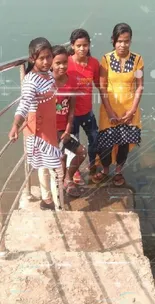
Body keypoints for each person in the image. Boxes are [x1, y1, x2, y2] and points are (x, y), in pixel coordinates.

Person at [9, 37, 64, 211]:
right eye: (42, 58)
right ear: (32, 59)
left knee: (47, 166)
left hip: (48, 125)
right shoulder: (30, 81)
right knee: (54, 167)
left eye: (49, 57)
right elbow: (24, 104)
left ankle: (48, 200)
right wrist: (15, 126)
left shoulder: (47, 74)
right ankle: (55, 203)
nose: (47, 62)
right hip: (39, 131)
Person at [92, 23, 144, 186]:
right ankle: (106, 169)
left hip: (129, 109)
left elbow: (140, 86)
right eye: (120, 41)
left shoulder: (137, 60)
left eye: (126, 41)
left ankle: (119, 171)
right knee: (106, 142)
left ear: (130, 41)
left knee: (123, 142)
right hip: (109, 109)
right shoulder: (106, 59)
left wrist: (133, 110)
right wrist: (109, 111)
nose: (123, 45)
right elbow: (102, 86)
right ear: (113, 40)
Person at [51, 45, 87, 196]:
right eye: (58, 63)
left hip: (64, 129)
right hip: (50, 131)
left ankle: (68, 178)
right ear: (51, 63)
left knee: (81, 152)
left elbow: (71, 108)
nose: (62, 66)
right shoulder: (47, 83)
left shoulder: (71, 80)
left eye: (65, 62)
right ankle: (57, 188)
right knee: (59, 159)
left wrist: (67, 129)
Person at [67, 28, 100, 183]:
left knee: (94, 140)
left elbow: (100, 85)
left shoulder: (93, 63)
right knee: (74, 145)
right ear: (72, 45)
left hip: (87, 112)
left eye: (85, 45)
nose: (82, 48)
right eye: (78, 45)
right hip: (70, 114)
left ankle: (92, 165)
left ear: (89, 45)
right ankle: (75, 172)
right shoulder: (65, 62)